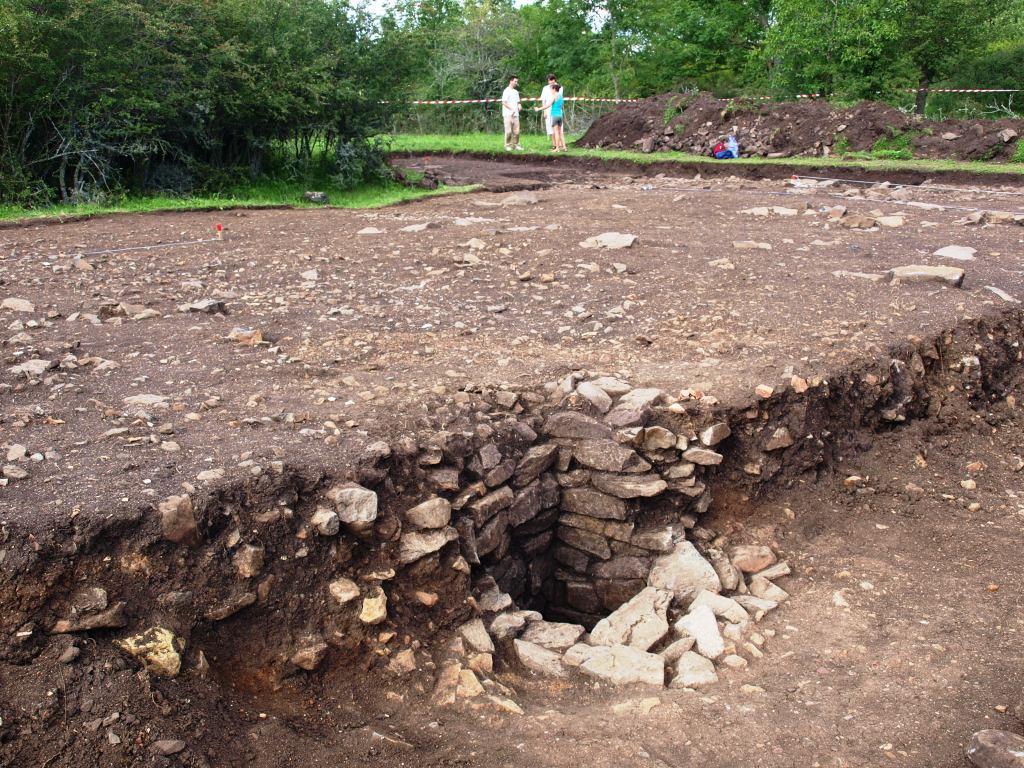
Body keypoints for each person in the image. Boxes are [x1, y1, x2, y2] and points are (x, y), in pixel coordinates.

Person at [501, 76, 523, 151]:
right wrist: (511, 109)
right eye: (515, 81)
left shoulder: (516, 92)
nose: (516, 83)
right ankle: (507, 145)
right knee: (509, 131)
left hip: (516, 115)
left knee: (517, 132)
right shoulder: (506, 91)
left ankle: (516, 145)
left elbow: (518, 102)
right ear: (511, 81)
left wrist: (519, 105)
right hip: (507, 114)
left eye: (517, 82)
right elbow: (504, 102)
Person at [537, 74, 558, 149]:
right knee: (550, 127)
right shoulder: (545, 88)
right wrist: (544, 111)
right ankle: (554, 145)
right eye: (549, 80)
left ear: (554, 80)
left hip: (556, 110)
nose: (551, 82)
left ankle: (559, 145)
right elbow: (544, 100)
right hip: (547, 109)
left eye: (552, 80)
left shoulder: (559, 87)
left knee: (557, 127)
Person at [549, 83, 567, 152]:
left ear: (554, 89)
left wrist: (539, 108)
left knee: (556, 132)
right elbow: (562, 106)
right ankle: (564, 147)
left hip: (555, 115)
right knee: (560, 132)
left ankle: (557, 148)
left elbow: (549, 105)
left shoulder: (554, 96)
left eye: (551, 89)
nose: (551, 91)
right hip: (560, 115)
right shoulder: (561, 96)